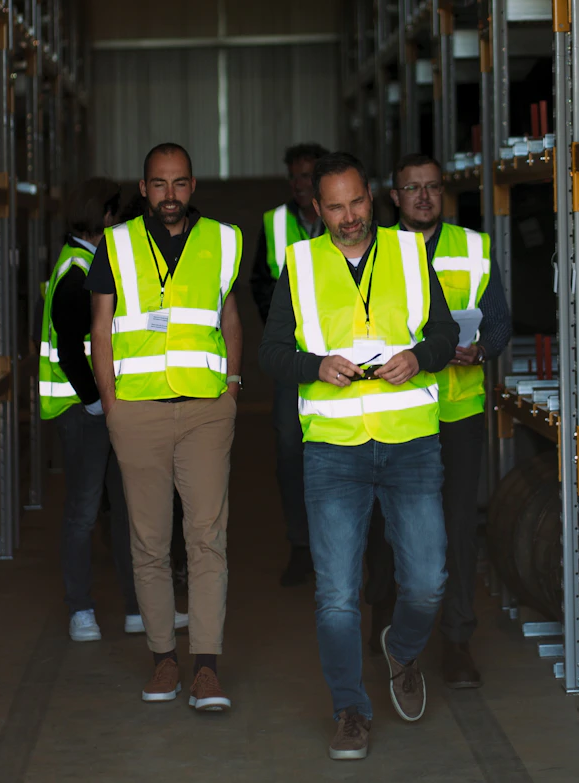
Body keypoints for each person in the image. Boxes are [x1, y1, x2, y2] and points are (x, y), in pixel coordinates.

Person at [259, 152, 458, 760]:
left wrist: (420, 357)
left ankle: (401, 648)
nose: (349, 217)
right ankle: (350, 710)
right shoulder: (300, 264)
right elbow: (270, 354)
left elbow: (446, 335)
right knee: (337, 595)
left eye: (357, 202)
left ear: (372, 198)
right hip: (334, 454)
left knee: (427, 581)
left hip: (410, 445)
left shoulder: (408, 253)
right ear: (317, 209)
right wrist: (314, 365)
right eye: (336, 207)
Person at [87, 143, 243, 713]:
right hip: (138, 412)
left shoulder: (225, 240)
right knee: (149, 542)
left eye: (179, 183)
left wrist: (232, 387)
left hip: (206, 410)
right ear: (144, 187)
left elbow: (228, 316)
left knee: (206, 539)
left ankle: (206, 668)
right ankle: (163, 660)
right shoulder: (117, 244)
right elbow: (100, 330)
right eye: (159, 184)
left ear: (193, 185)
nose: (169, 194)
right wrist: (112, 404)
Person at [387, 152, 511, 688]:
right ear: (395, 197)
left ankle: (457, 641)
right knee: (392, 527)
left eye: (432, 187)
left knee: (458, 526)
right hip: (398, 411)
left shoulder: (474, 248)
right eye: (412, 189)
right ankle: (392, 632)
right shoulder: (375, 250)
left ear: (444, 193)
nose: (423, 197)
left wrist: (480, 350)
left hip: (458, 409)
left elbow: (501, 320)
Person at [39, 178, 146, 641]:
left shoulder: (86, 262)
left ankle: (136, 608)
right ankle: (81, 609)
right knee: (84, 512)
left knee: (123, 509)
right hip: (80, 411)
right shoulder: (77, 271)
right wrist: (97, 402)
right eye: (117, 212)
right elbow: (68, 350)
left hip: (96, 409)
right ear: (104, 215)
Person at [250, 142, 328, 586]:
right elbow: (260, 282)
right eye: (295, 176)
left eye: (308, 175)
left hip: (339, 355)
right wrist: (284, 327)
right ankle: (300, 545)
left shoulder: (344, 217)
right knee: (288, 446)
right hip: (292, 357)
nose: (301, 184)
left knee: (337, 448)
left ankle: (334, 547)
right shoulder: (275, 223)